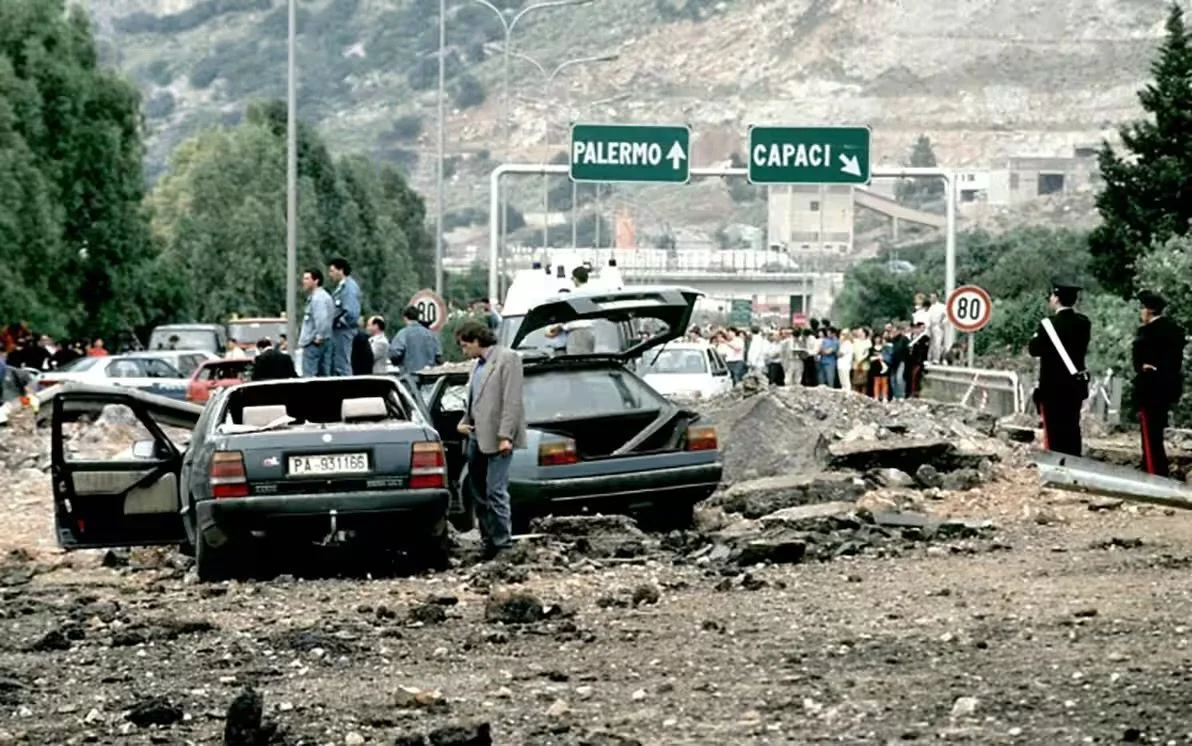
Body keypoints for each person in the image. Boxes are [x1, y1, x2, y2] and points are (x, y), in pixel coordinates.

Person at [456, 320, 526, 560]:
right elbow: (474, 399)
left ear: (477, 341)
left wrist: (506, 435)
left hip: (498, 438)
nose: (464, 351)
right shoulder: (476, 366)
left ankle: (503, 544)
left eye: (465, 346)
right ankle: (488, 540)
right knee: (479, 493)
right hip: (477, 435)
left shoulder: (508, 358)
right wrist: (463, 422)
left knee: (496, 491)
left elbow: (512, 400)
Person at [1028, 277, 1091, 456]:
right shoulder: (1084, 323)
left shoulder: (1048, 325)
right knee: (1072, 426)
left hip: (1052, 387)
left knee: (1054, 430)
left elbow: (1034, 349)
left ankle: (1058, 467)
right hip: (1074, 385)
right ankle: (1075, 463)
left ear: (1056, 298)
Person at [1132, 290, 1186, 477]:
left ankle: (1154, 471)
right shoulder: (1176, 330)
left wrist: (1144, 367)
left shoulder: (1146, 333)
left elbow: (1138, 360)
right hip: (1168, 388)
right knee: (1157, 431)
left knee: (1149, 435)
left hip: (1150, 389)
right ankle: (1156, 468)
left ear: (1148, 310)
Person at [328, 258, 362, 376]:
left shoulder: (349, 288)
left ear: (340, 270)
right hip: (338, 331)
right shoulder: (341, 287)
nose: (330, 275)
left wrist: (339, 322)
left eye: (332, 271)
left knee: (342, 364)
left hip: (343, 331)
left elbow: (352, 312)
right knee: (337, 363)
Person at [298, 268, 335, 377]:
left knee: (309, 376)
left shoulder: (318, 298)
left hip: (313, 343)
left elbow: (322, 318)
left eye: (307, 278)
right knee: (323, 375)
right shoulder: (324, 296)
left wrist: (320, 336)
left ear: (316, 280)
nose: (304, 281)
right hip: (324, 341)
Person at [389, 306, 442, 373]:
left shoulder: (403, 334)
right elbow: (438, 355)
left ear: (405, 318)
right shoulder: (431, 334)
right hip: (429, 378)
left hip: (409, 378)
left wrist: (397, 363)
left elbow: (394, 353)